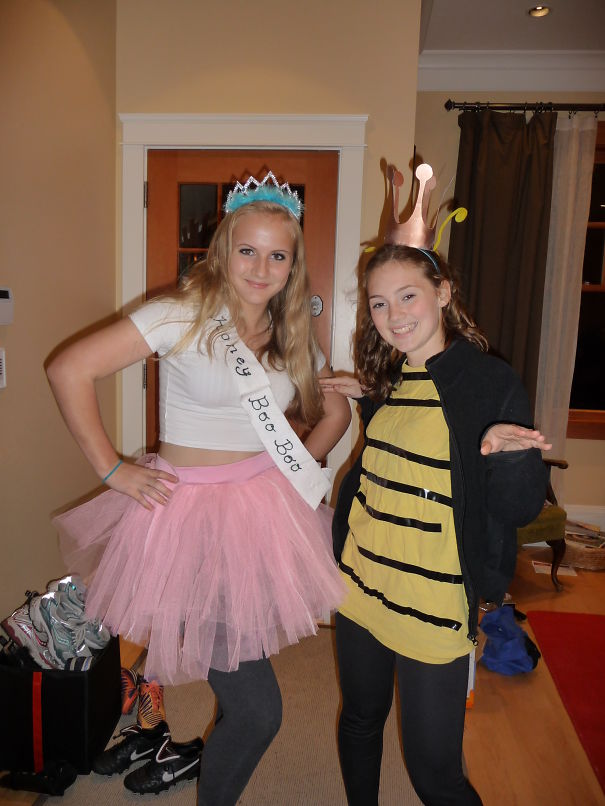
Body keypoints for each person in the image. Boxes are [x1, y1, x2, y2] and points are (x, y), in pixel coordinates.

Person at [46, 172, 351, 804]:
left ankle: (192, 763)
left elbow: (332, 416)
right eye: (248, 250)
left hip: (261, 511)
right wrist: (112, 468)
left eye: (278, 255)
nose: (261, 268)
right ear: (223, 249)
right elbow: (68, 369)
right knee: (259, 709)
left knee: (244, 662)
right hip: (191, 521)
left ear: (293, 265)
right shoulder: (180, 314)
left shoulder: (292, 335)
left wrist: (303, 459)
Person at [320, 243, 550, 805]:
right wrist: (367, 395)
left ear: (443, 294)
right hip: (360, 587)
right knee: (359, 720)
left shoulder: (488, 382)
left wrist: (509, 456)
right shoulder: (389, 382)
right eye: (378, 304)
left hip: (433, 600)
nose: (394, 315)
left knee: (435, 775)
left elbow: (519, 510)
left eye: (407, 296)